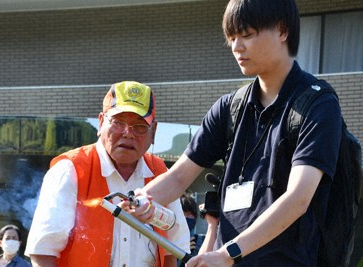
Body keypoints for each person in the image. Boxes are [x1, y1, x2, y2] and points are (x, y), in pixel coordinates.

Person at [132, 0, 342, 266]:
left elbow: (298, 198)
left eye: (247, 35)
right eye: (231, 38)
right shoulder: (229, 107)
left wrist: (227, 253)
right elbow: (178, 177)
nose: (236, 47)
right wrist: (141, 198)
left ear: (282, 30)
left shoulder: (318, 103)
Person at [25, 81, 190, 267]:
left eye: (140, 126)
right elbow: (43, 251)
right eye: (118, 122)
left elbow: (171, 250)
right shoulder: (69, 170)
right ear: (101, 122)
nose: (128, 133)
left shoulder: (161, 174)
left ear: (154, 132)